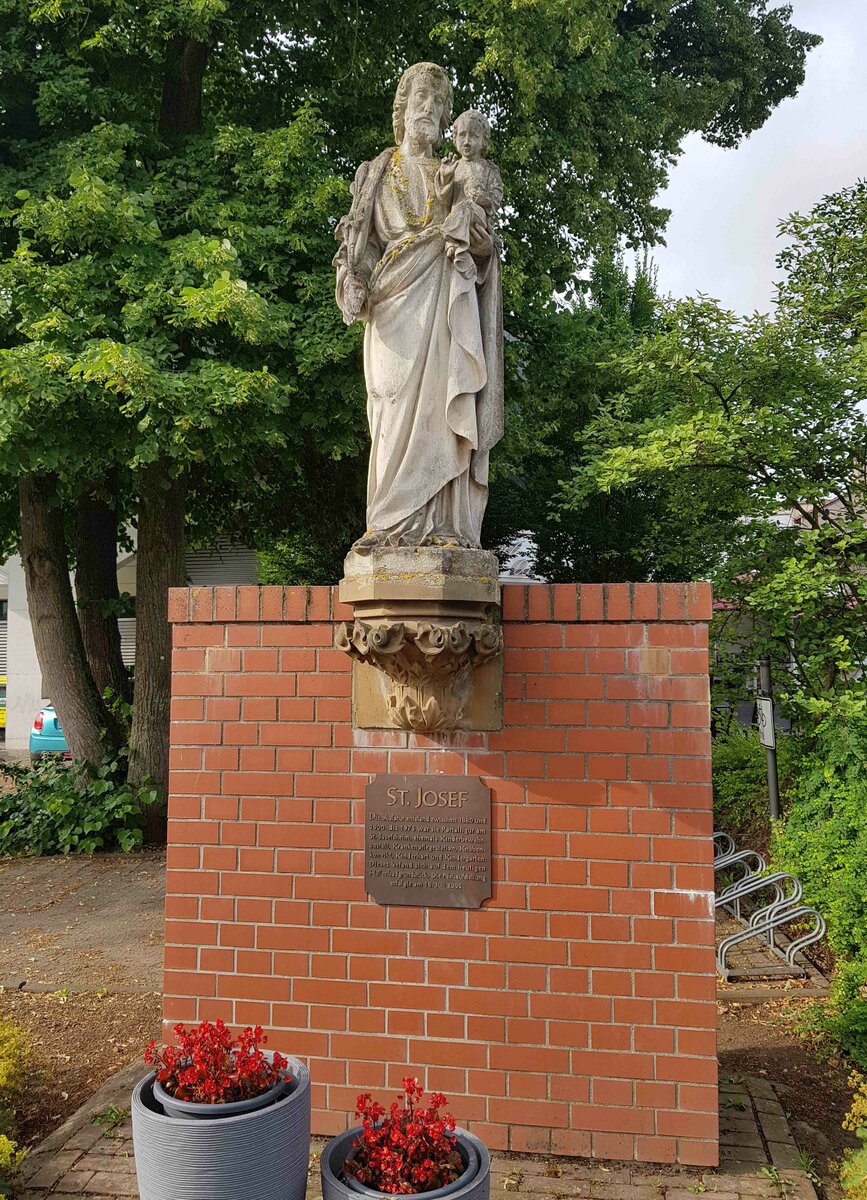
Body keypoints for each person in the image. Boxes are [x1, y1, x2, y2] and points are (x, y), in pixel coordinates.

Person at [333, 62, 503, 552]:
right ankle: (388, 527)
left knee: (443, 413)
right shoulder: (377, 171)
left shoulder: (454, 174)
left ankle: (445, 528)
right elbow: (360, 242)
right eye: (420, 99)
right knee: (389, 406)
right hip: (393, 306)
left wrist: (476, 241)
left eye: (438, 102)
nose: (428, 108)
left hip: (446, 303)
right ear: (402, 109)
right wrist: (354, 277)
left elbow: (482, 246)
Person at [436, 108, 503, 280]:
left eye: (473, 136)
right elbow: (444, 198)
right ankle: (455, 242)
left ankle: (452, 239)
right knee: (460, 209)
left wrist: (482, 198)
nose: (466, 141)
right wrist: (446, 176)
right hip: (457, 217)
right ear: (455, 138)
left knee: (465, 208)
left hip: (477, 220)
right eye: (462, 135)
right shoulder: (455, 166)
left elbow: (496, 199)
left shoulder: (489, 169)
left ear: (483, 140)